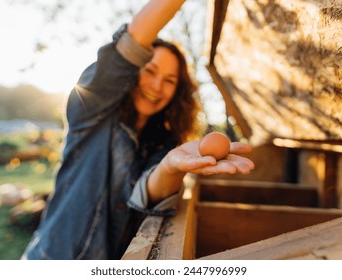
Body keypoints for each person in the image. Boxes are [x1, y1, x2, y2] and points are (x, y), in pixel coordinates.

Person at [22, 0, 255, 260]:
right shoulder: (92, 111)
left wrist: (170, 166)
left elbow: (145, 193)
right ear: (132, 72)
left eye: (169, 81)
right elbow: (130, 44)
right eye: (150, 71)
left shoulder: (162, 142)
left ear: (177, 92)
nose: (156, 86)